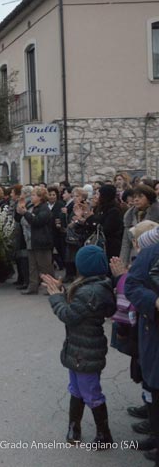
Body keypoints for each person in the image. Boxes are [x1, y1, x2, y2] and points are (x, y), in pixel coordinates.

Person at [42, 246, 116, 448]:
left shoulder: (90, 291)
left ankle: (104, 435)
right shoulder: (94, 286)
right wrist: (63, 291)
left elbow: (68, 315)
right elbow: (78, 308)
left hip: (85, 352)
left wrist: (56, 296)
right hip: (79, 349)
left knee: (91, 393)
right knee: (76, 389)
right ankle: (74, 426)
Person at [125, 223, 159, 465]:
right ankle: (155, 436)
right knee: (154, 387)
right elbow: (132, 285)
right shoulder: (151, 252)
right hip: (154, 334)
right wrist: (154, 302)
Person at [17, 185, 54, 295]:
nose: (31, 197)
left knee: (45, 266)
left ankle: (51, 286)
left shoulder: (44, 209)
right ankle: (32, 287)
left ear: (40, 197)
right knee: (32, 266)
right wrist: (21, 210)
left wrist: (25, 213)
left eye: (34, 195)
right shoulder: (33, 207)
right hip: (31, 240)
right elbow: (22, 218)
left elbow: (37, 221)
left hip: (42, 241)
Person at [121, 184, 159, 266]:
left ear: (149, 198)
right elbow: (126, 243)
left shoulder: (157, 214)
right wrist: (123, 263)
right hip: (134, 257)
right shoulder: (130, 216)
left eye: (140, 196)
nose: (136, 200)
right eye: (134, 197)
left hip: (153, 258)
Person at [84, 185, 124, 262]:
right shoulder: (100, 208)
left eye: (98, 194)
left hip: (110, 246)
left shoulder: (114, 211)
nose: (95, 196)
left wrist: (91, 218)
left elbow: (106, 229)